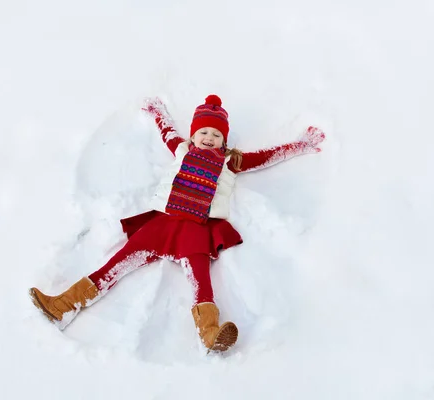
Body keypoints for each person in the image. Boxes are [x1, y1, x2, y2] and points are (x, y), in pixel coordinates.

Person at [29, 94, 325, 352]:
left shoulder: (230, 162)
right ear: (194, 136)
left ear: (224, 141)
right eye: (204, 132)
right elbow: (167, 132)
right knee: (115, 264)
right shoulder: (182, 150)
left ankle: (210, 334)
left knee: (201, 282)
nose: (210, 138)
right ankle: (63, 305)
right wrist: (158, 112)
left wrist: (301, 144)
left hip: (196, 230)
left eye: (216, 135)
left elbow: (266, 157)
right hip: (164, 223)